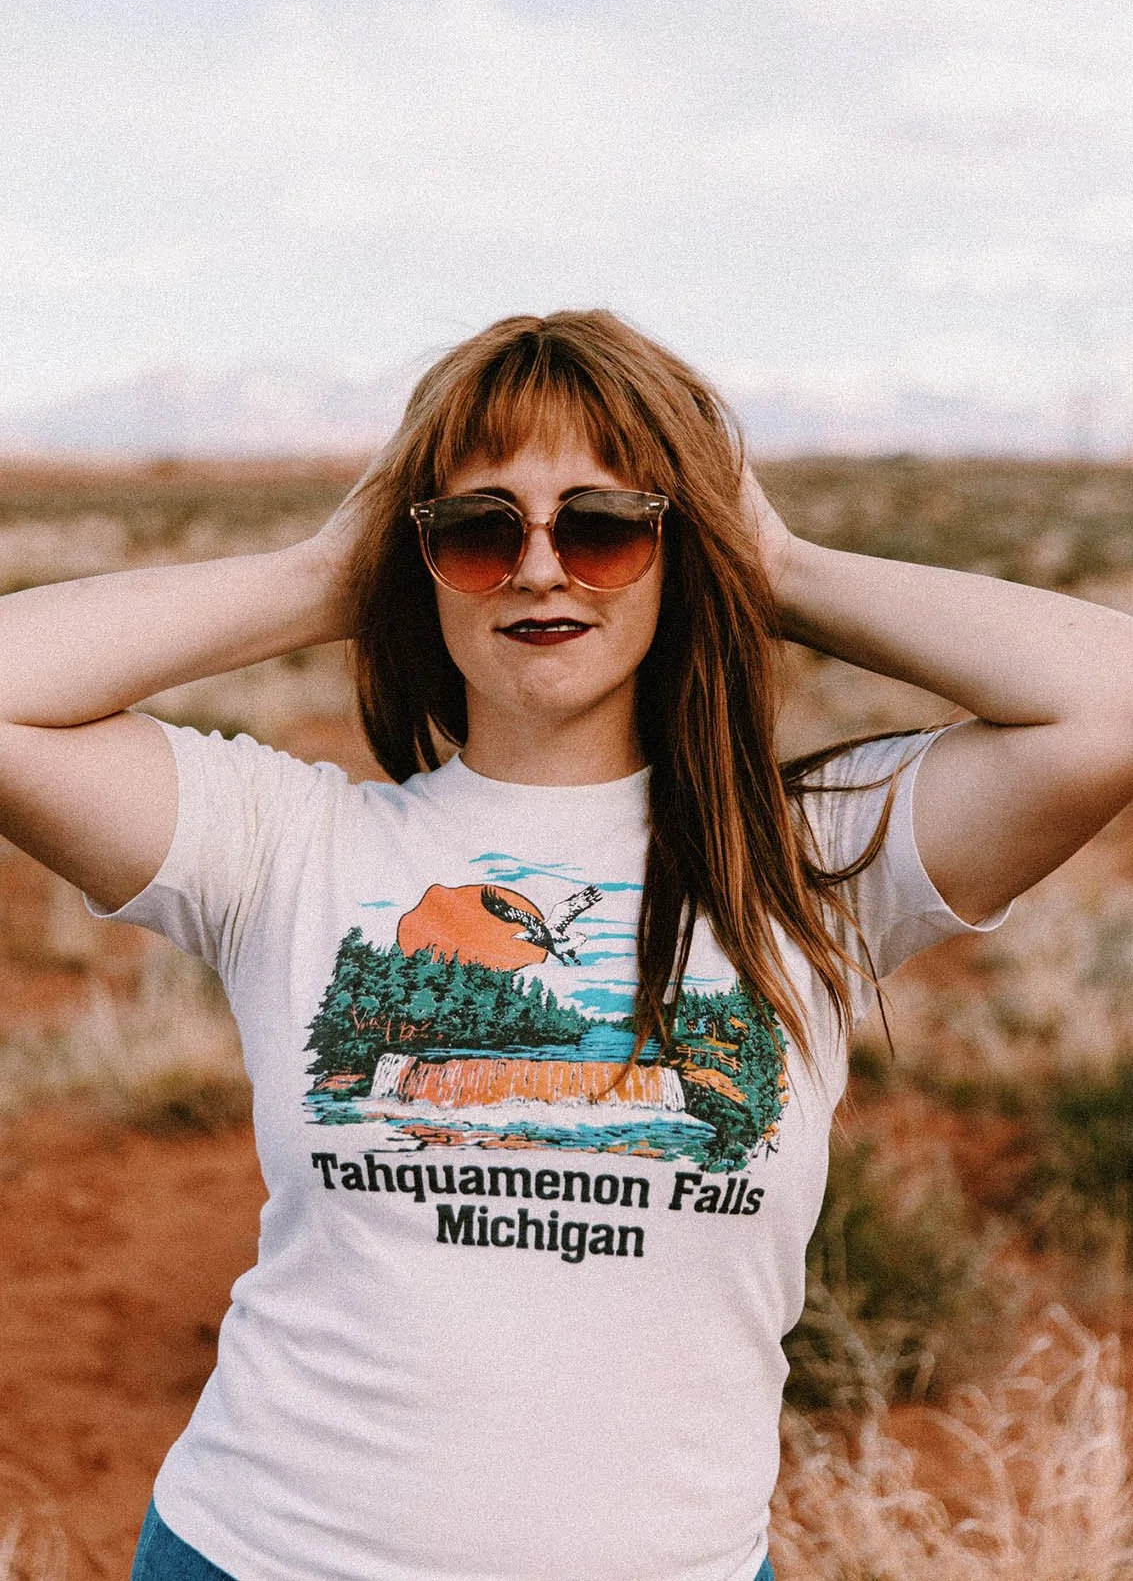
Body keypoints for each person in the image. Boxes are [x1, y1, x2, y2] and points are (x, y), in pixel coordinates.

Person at [1, 310, 1131, 1581]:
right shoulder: (287, 842)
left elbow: (1108, 700)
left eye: (603, 526)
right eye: (479, 530)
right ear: (419, 555)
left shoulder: (804, 860)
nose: (541, 567)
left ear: (676, 549)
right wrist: (328, 570)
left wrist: (778, 561)